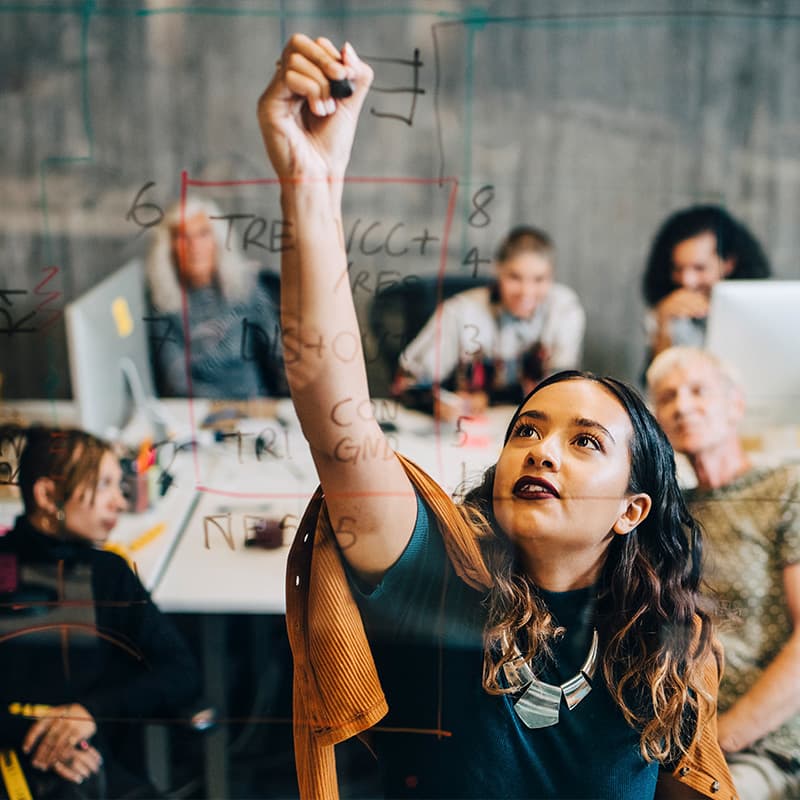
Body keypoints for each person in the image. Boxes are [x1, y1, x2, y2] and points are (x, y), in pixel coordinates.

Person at [258, 34, 735, 799]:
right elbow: (338, 423)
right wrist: (310, 182)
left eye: (585, 442)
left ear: (631, 508)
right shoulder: (437, 587)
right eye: (528, 430)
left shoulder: (668, 647)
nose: (542, 450)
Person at [0, 426, 201, 799]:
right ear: (47, 495)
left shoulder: (108, 575)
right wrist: (41, 740)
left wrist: (89, 713)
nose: (120, 502)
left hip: (102, 768)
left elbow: (181, 673)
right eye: (104, 485)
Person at [648, 347, 800, 800]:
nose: (682, 405)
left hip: (762, 744)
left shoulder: (784, 489)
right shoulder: (666, 514)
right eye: (668, 397)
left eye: (699, 391)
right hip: (673, 737)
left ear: (736, 404)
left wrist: (722, 740)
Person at [394, 225, 585, 418]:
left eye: (539, 279)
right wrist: (436, 406)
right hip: (464, 429)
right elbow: (406, 384)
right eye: (515, 277)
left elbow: (561, 390)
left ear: (552, 277)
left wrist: (488, 399)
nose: (527, 291)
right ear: (498, 271)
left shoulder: (563, 309)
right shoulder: (460, 311)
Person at [145, 195, 287, 399]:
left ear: (218, 241)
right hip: (200, 412)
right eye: (183, 237)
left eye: (203, 234)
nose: (194, 246)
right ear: (170, 249)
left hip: (257, 406)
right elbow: (175, 381)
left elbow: (278, 358)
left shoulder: (247, 287)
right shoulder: (164, 302)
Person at [642, 204, 770, 361]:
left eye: (699, 268)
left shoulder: (760, 313)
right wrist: (662, 327)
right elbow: (658, 382)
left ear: (728, 263)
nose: (687, 280)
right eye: (678, 268)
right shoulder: (665, 312)